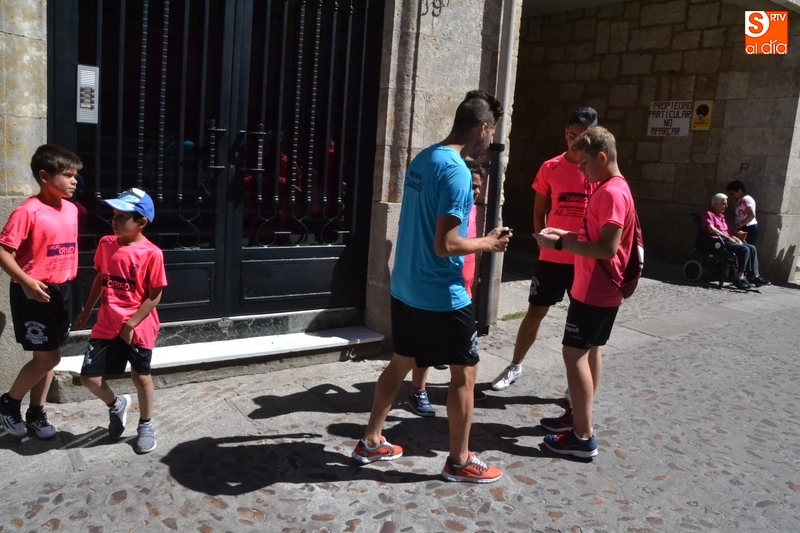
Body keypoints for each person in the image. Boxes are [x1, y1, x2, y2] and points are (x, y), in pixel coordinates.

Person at [351, 90, 509, 483]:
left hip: (407, 285)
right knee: (465, 373)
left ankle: (371, 440)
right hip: (441, 293)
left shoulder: (424, 158)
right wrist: (489, 243)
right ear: (483, 128)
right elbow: (446, 244)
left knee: (401, 361)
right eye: (492, 132)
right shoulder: (456, 171)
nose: (491, 140)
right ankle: (459, 460)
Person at [534, 126, 635, 458]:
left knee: (574, 353)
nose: (580, 170)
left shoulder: (610, 193)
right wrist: (563, 233)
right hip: (602, 288)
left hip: (596, 288)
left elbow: (606, 248)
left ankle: (582, 436)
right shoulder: (614, 187)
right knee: (591, 350)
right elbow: (595, 236)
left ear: (602, 158)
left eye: (584, 163)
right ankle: (578, 417)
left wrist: (559, 244)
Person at [492, 108, 598, 393]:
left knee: (584, 323)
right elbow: (539, 209)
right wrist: (540, 238)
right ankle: (515, 364)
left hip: (584, 258)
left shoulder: (596, 170)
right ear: (565, 133)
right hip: (552, 257)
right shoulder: (550, 167)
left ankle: (578, 388)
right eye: (572, 135)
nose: (576, 142)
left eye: (583, 137)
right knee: (535, 311)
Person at [73, 188, 168, 454]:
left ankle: (146, 424)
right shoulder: (106, 244)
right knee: (89, 378)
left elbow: (154, 296)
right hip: (107, 322)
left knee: (141, 377)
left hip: (139, 325)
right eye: (113, 214)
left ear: (141, 222)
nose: (113, 220)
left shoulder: (151, 253)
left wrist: (131, 324)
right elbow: (100, 278)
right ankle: (116, 404)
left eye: (121, 216)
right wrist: (86, 310)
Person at [0, 145, 82, 439]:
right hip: (34, 292)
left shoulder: (71, 208)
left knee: (50, 355)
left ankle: (36, 412)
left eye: (75, 175)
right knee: (47, 359)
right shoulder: (28, 211)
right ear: (45, 176)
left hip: (63, 290)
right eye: (68, 175)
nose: (74, 181)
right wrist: (26, 281)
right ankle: (8, 404)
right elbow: (3, 251)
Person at [407, 160, 487, 417]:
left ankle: (463, 385)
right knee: (425, 344)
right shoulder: (449, 208)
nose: (475, 191)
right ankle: (418, 390)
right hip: (442, 285)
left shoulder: (472, 209)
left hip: (463, 286)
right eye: (472, 186)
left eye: (479, 187)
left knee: (463, 345)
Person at [701, 193, 769, 289]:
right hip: (718, 242)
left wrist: (736, 238)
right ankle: (739, 277)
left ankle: (754, 276)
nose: (726, 206)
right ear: (716, 204)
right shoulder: (709, 214)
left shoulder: (722, 216)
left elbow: (727, 232)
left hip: (727, 240)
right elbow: (711, 229)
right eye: (724, 204)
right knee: (744, 249)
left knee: (751, 248)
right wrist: (729, 238)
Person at [726, 180, 760, 246]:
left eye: (733, 194)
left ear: (739, 191)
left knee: (744, 247)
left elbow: (751, 215)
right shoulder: (739, 200)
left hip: (747, 227)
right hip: (743, 227)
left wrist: (739, 225)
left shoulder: (745, 199)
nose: (732, 196)